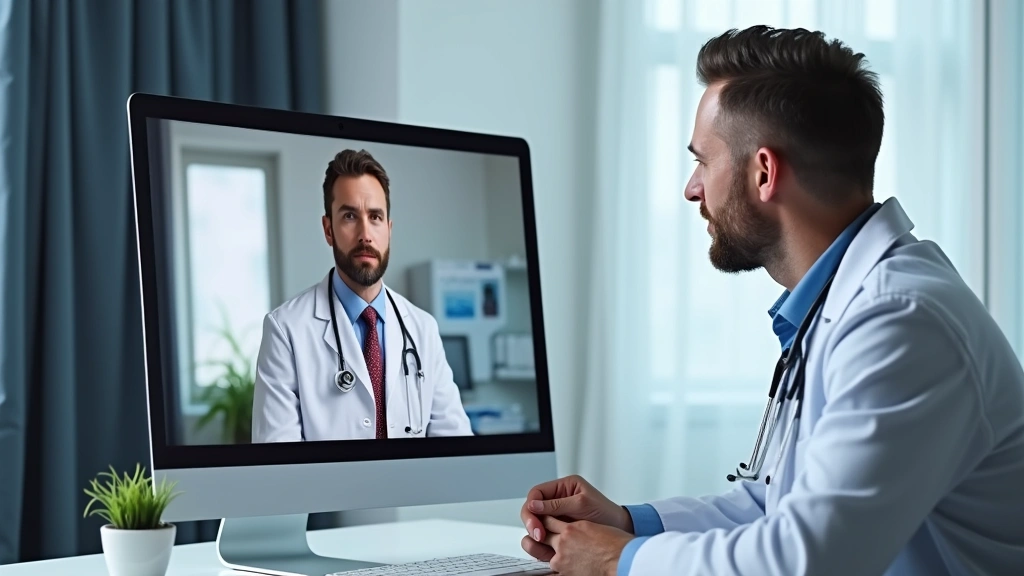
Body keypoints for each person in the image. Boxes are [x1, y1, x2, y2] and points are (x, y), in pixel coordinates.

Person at [520, 26, 1024, 576]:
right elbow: (770, 509)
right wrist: (627, 523)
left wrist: (622, 561)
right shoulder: (839, 306)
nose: (692, 189)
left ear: (763, 172)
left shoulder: (900, 320)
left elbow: (805, 559)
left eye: (703, 162)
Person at [252, 149, 473, 441]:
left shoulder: (423, 329)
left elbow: (456, 450)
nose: (365, 234)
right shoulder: (285, 330)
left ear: (389, 229)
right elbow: (277, 465)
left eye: (375, 217)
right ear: (328, 229)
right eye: (349, 216)